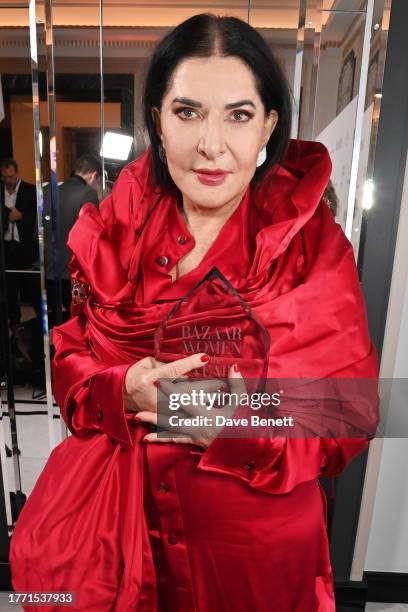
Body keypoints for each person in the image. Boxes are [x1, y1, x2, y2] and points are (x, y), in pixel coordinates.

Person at [10, 14, 379, 612]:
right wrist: (121, 387)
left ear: (268, 128)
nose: (211, 144)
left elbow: (350, 411)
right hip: (113, 544)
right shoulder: (113, 226)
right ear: (157, 119)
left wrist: (241, 424)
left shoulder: (312, 249)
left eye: (238, 114)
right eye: (187, 112)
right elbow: (70, 364)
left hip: (247, 558)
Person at [43, 154, 102, 319]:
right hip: (76, 273)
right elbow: (91, 236)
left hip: (50, 269)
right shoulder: (88, 193)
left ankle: (58, 343)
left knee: (55, 316)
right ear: (94, 175)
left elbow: (37, 233)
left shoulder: (47, 191)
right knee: (79, 315)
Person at [0, 158, 37, 330]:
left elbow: (39, 218)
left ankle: (39, 321)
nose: (8, 181)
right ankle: (14, 323)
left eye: (11, 176)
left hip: (25, 247)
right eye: (5, 177)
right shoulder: (1, 191)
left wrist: (21, 216)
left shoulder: (31, 190)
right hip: (6, 247)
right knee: (10, 289)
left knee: (32, 287)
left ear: (17, 173)